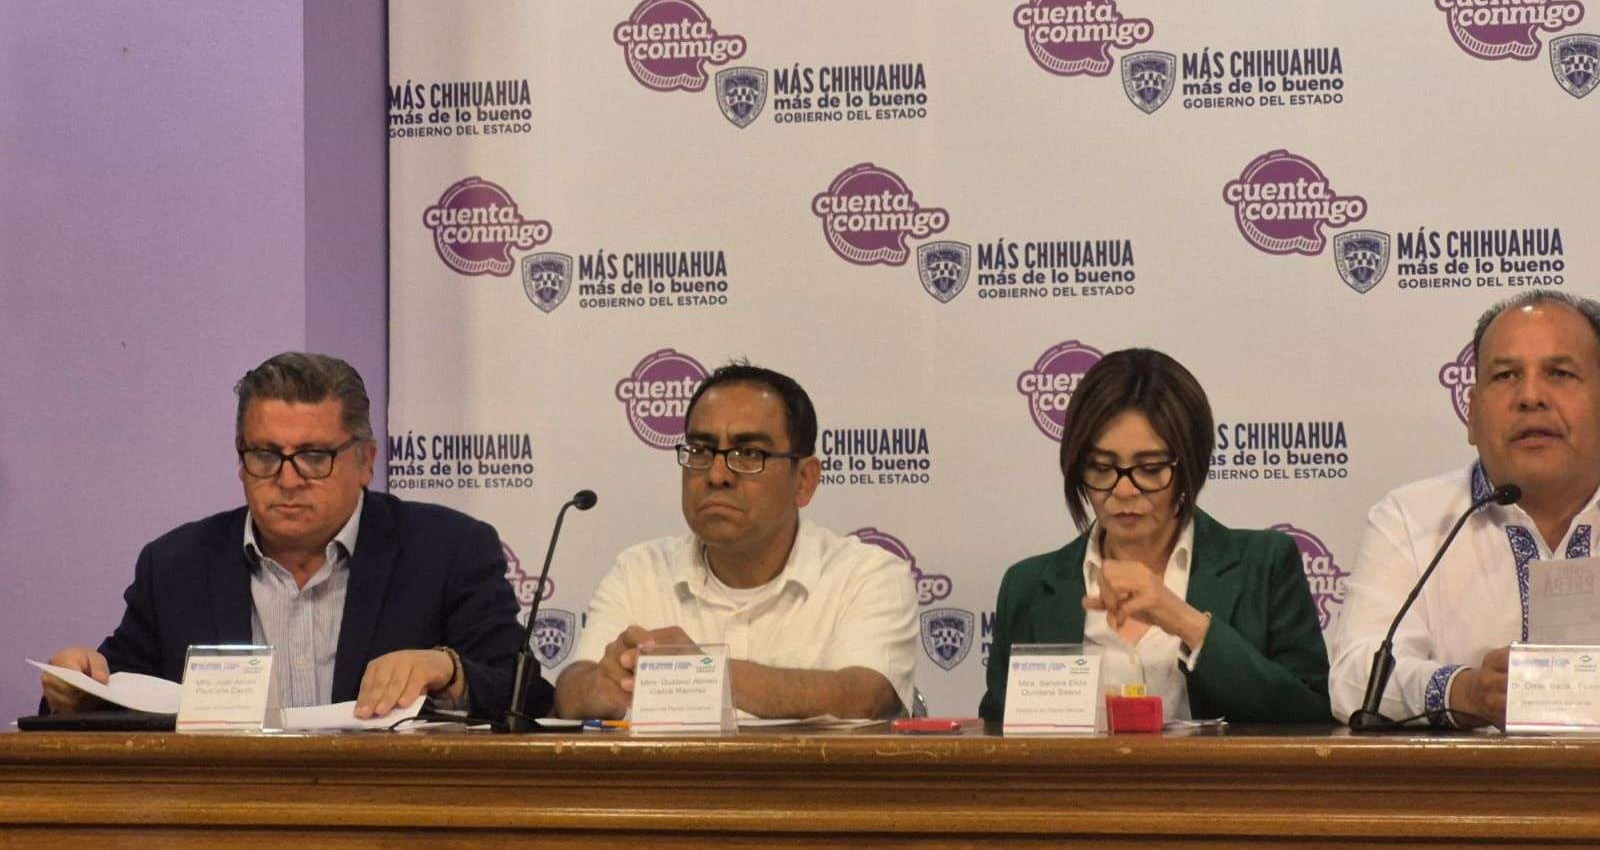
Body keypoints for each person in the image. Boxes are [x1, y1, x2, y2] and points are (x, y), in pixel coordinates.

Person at [41, 352, 541, 721]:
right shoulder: (176, 565)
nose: (287, 479)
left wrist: (449, 669)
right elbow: (112, 693)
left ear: (366, 461)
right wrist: (74, 688)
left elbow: (530, 698)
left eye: (313, 457)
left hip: (391, 811)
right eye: (265, 455)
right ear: (241, 461)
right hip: (226, 811)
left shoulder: (447, 551)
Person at [980, 348, 1331, 724]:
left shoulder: (1264, 565)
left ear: (1189, 465)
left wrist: (1183, 621)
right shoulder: (1028, 587)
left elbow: (1311, 716)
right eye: (1101, 467)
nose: (1124, 490)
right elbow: (999, 735)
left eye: (1150, 469)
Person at [555, 363, 917, 720]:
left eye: (749, 454)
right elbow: (573, 691)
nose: (717, 474)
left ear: (805, 480)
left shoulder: (867, 575)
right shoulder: (639, 571)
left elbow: (866, 697)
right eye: (701, 450)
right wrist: (603, 687)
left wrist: (701, 674)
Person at [1331, 290, 1600, 728]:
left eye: (1560, 373)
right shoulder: (1413, 519)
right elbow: (1354, 677)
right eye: (1506, 375)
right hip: (1466, 774)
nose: (1531, 396)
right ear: (1471, 415)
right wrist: (1463, 692)